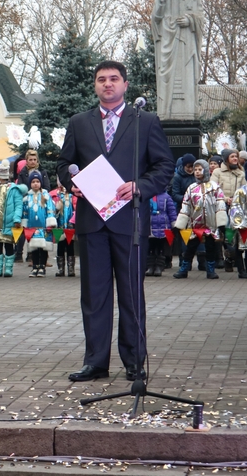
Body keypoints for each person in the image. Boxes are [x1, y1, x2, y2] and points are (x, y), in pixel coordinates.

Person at [56, 60, 174, 382]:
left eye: (113, 79)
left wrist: (140, 186)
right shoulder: (79, 123)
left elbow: (164, 166)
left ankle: (135, 361)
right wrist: (71, 184)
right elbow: (64, 164)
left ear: (124, 84)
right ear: (95, 85)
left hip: (129, 221)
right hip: (92, 222)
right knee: (94, 295)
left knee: (132, 294)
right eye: (101, 80)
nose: (107, 84)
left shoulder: (145, 121)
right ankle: (95, 362)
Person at [151, 0, 204, 121]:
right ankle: (166, 112)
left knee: (187, 74)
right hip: (167, 37)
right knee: (165, 74)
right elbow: (155, 18)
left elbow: (200, 16)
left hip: (186, 40)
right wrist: (160, 4)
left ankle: (188, 112)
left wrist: (190, 21)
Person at [173, 160, 227, 279]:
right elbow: (186, 205)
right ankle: (184, 269)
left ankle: (211, 270)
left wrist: (221, 222)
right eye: (195, 170)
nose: (197, 172)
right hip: (195, 225)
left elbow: (220, 204)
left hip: (210, 225)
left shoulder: (214, 187)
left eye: (199, 169)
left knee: (210, 247)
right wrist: (180, 224)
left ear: (206, 170)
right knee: (190, 248)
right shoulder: (191, 188)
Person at [0, 160, 26, 277]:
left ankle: (8, 268)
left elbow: (18, 205)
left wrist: (17, 219)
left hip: (9, 223)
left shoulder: (13, 189)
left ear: (0, 178)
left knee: (8, 246)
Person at [211, 148, 246, 272]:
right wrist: (225, 199)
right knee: (225, 235)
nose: (235, 159)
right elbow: (213, 189)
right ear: (226, 159)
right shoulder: (217, 172)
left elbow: (245, 190)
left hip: (237, 207)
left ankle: (230, 259)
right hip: (222, 206)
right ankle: (227, 258)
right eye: (232, 157)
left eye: (236, 156)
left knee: (235, 236)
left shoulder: (241, 173)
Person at [21, 170, 56, 277]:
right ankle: (35, 267)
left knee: (43, 248)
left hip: (44, 227)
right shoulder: (27, 198)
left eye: (37, 181)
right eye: (33, 182)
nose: (35, 183)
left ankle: (42, 267)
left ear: (40, 183)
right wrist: (24, 224)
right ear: (30, 184)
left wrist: (50, 221)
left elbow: (50, 209)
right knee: (34, 248)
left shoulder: (45, 196)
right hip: (32, 227)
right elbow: (25, 211)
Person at [229, 166, 247, 279]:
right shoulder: (241, 191)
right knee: (239, 249)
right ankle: (241, 270)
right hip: (243, 225)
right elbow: (236, 207)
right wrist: (239, 223)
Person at [146, 190, 177, 277]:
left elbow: (172, 211)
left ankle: (159, 266)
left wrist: (174, 224)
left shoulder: (166, 197)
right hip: (150, 226)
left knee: (161, 248)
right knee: (150, 248)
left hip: (163, 226)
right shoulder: (147, 196)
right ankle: (150, 267)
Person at [50, 178, 77, 277]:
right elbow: (51, 210)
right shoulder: (55, 196)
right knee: (60, 246)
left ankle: (71, 269)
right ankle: (61, 269)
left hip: (70, 225)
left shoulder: (72, 196)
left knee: (70, 247)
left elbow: (76, 208)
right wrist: (57, 209)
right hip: (59, 225)